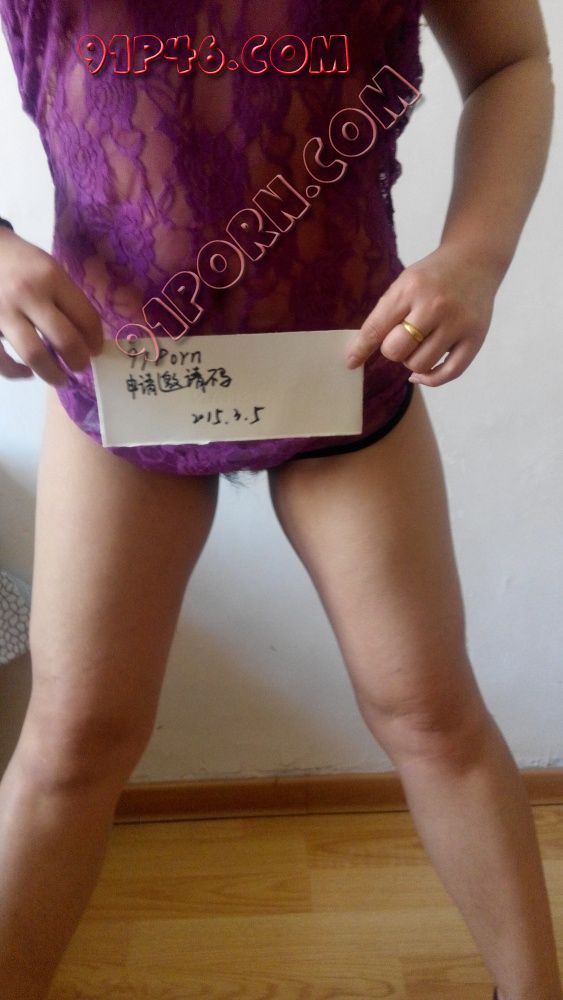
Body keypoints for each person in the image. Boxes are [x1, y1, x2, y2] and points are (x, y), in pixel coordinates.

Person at [0, 0, 558, 997]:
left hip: (343, 364)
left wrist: (475, 254)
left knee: (428, 711)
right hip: (123, 380)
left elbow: (510, 61)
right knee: (73, 740)